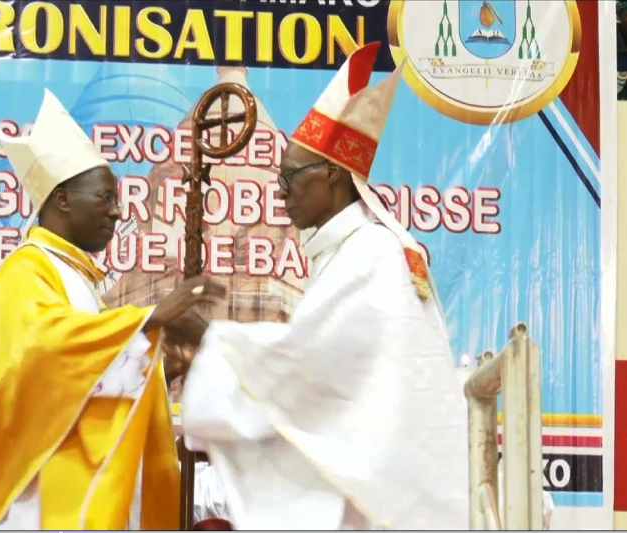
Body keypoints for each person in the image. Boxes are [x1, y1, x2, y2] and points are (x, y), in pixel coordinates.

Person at [180, 42, 469, 530]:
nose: (281, 192)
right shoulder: (346, 253)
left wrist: (211, 340)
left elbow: (307, 365)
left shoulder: (370, 254)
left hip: (399, 495)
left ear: (333, 174)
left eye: (291, 176)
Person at [0, 89, 226, 530]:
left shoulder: (76, 279)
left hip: (85, 497)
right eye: (104, 198)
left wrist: (158, 364)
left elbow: (86, 379)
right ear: (61, 200)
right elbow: (44, 353)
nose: (119, 213)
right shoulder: (25, 273)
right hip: (39, 502)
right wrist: (151, 317)